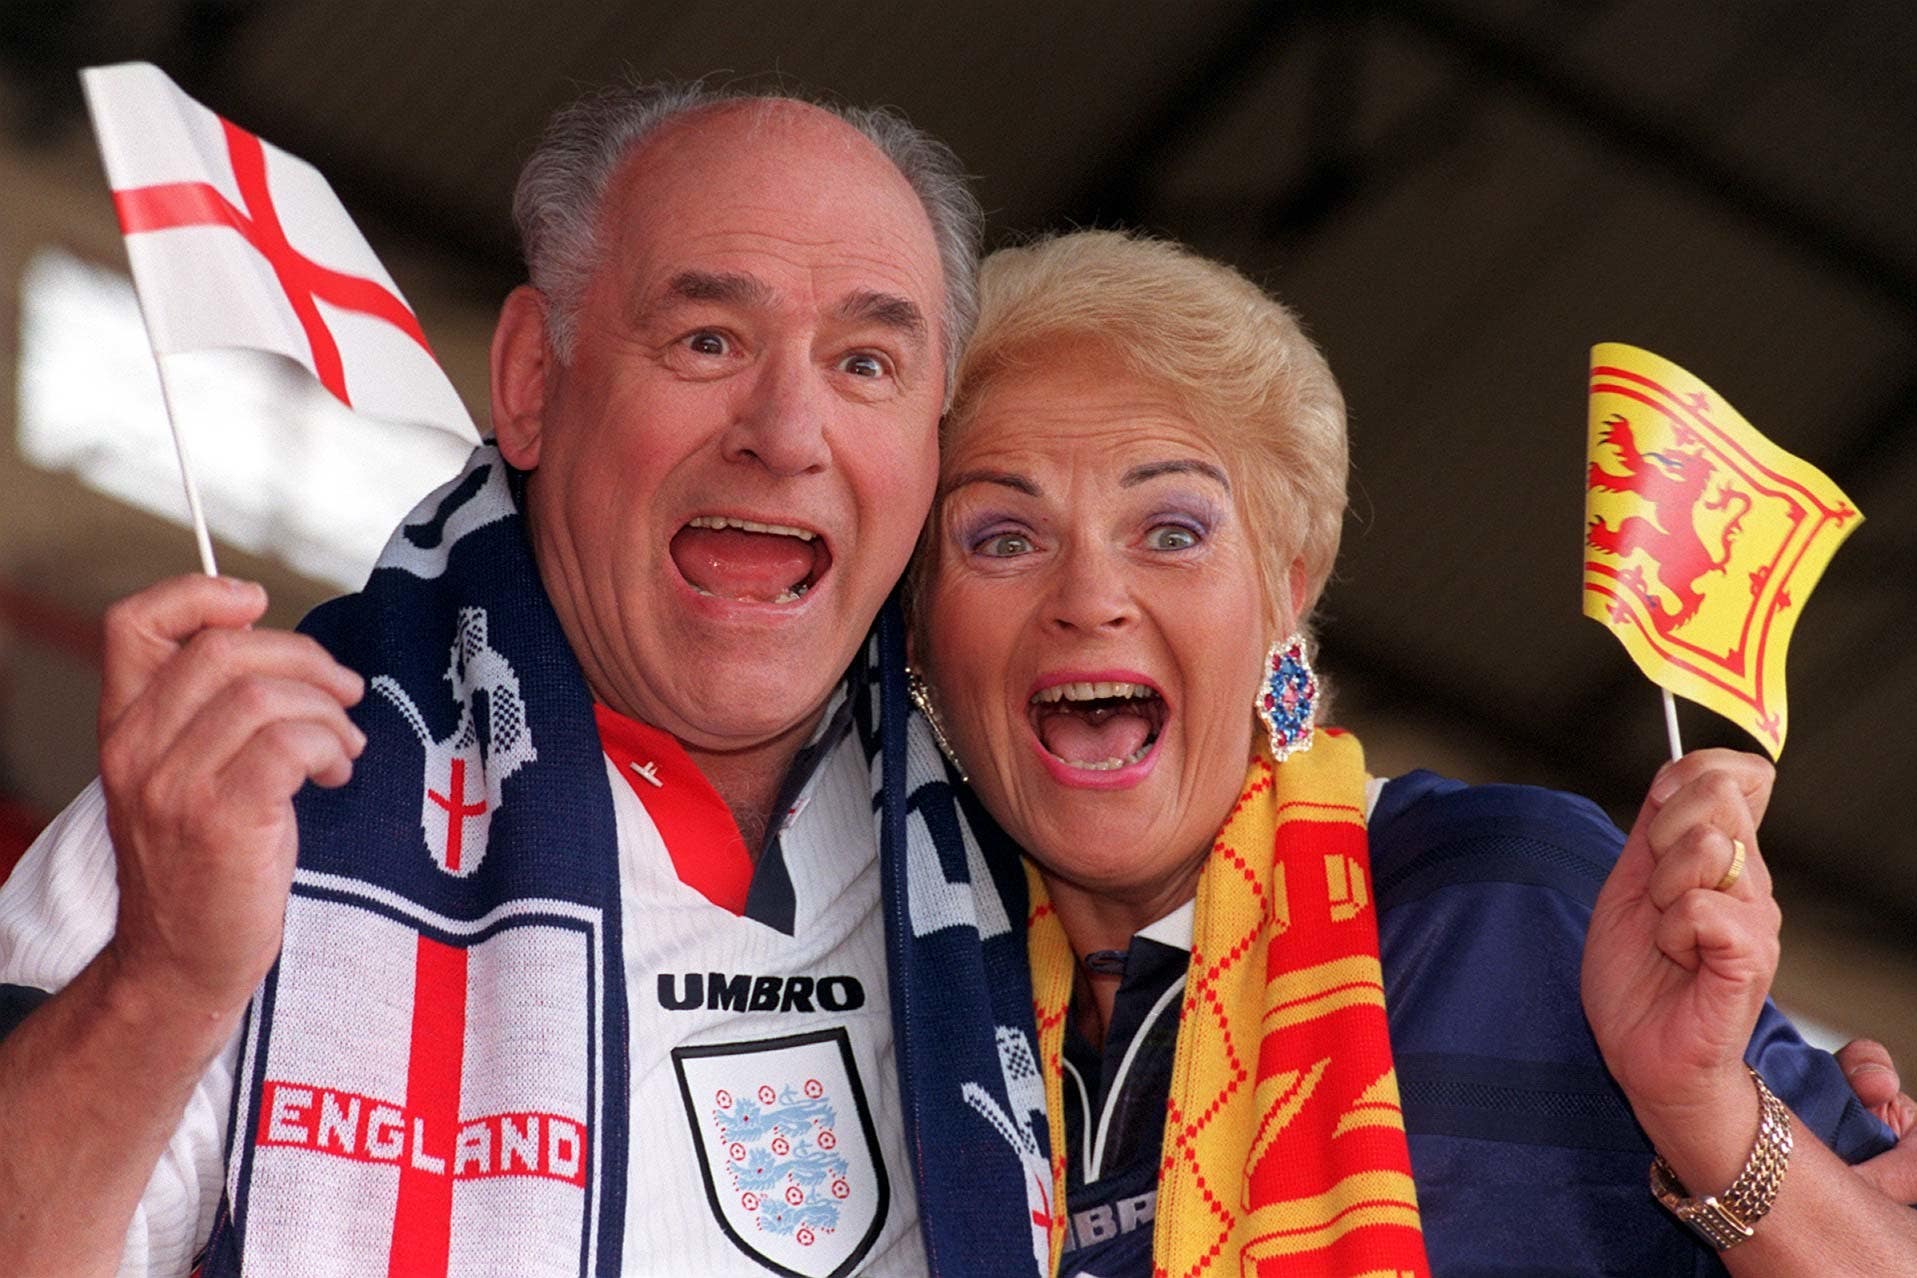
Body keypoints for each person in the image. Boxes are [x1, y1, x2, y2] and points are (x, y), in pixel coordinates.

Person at [0, 81, 978, 1276]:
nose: (787, 428)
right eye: (709, 340)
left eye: (867, 362)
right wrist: (163, 980)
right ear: (530, 380)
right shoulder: (247, 796)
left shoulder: (1012, 860)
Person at [897, 229, 1917, 1275]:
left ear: (1283, 593)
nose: (1090, 600)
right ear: (921, 630)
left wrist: (1699, 1106)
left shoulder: (1502, 893)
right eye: (1003, 539)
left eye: (1171, 531)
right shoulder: (908, 1001)